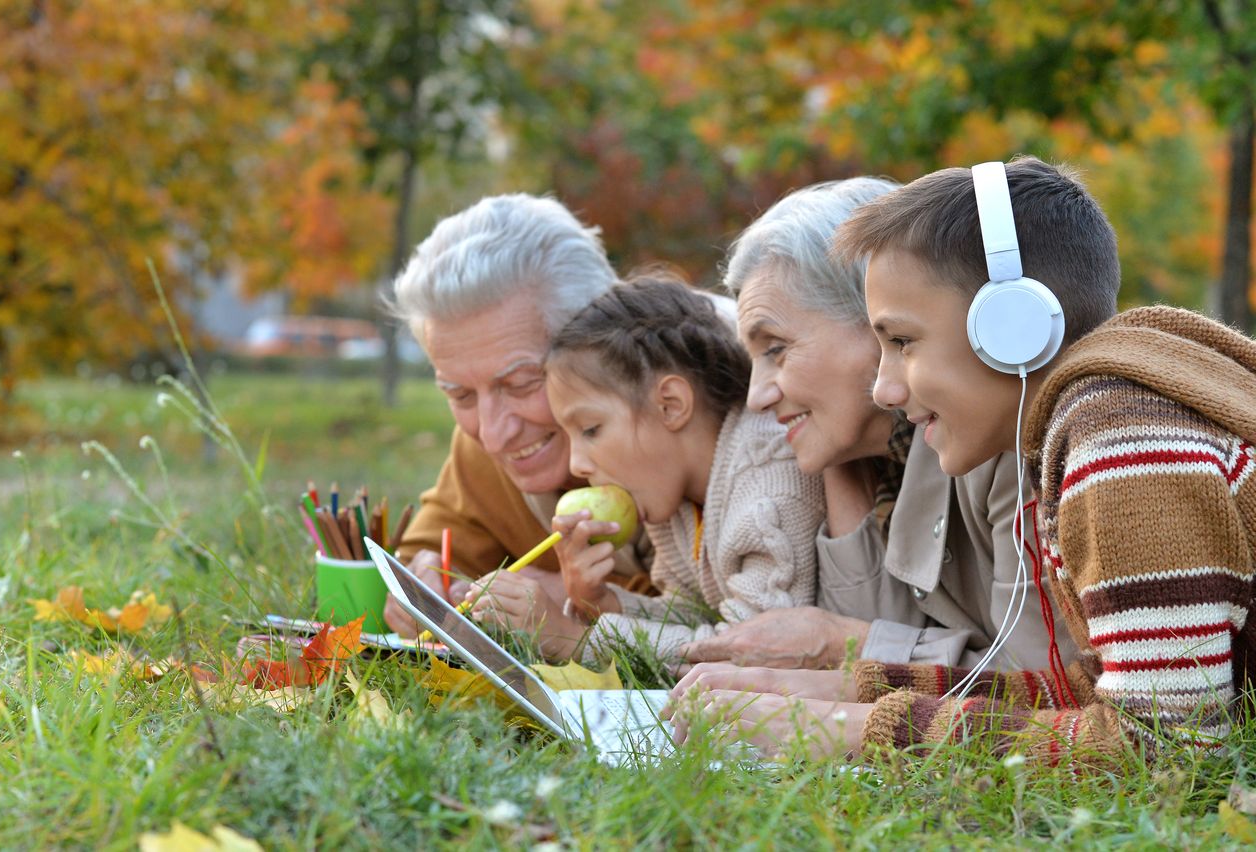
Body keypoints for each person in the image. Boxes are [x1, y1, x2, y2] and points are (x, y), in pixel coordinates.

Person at [686, 156, 1255, 764]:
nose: (885, 390)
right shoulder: (1099, 419)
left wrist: (847, 730)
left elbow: (1167, 750)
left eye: (902, 342)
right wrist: (848, 691)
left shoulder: (1122, 439)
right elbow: (1085, 697)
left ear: (1014, 326)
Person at [675, 179, 1075, 677]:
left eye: (775, 349)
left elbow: (1039, 690)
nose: (757, 395)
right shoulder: (882, 462)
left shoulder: (1002, 431)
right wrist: (832, 452)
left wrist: (845, 646)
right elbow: (881, 633)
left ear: (877, 321)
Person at [465, 276, 825, 663]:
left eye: (590, 430)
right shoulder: (674, 493)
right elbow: (694, 617)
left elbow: (749, 651)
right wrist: (602, 603)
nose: (577, 464)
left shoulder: (769, 484)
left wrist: (575, 641)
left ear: (670, 405)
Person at [382, 194, 654, 637]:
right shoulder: (482, 442)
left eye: (522, 384)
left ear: (604, 341)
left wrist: (569, 599)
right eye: (460, 394)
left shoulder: (697, 421)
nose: (492, 434)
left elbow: (719, 615)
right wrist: (423, 577)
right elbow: (431, 547)